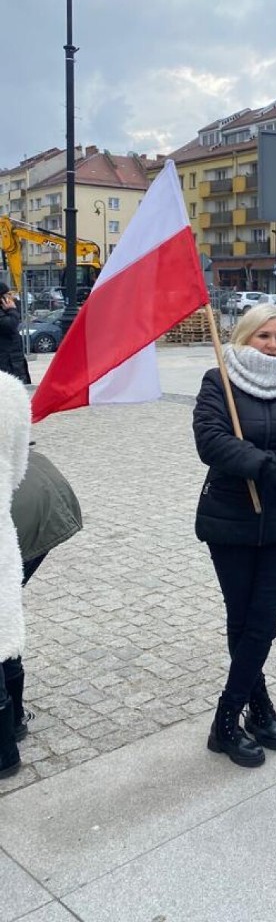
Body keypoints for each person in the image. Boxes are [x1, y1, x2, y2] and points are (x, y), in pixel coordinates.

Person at [193, 304, 276, 768]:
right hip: (229, 517)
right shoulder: (219, 382)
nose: (272, 344)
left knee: (264, 617)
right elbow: (210, 439)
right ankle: (251, 708)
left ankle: (229, 714)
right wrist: (264, 465)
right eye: (263, 336)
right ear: (245, 337)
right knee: (243, 614)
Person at [2, 450, 83, 742]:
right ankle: (13, 719)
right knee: (4, 613)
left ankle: (9, 727)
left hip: (29, 504)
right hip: (39, 483)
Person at [0, 370, 33, 779]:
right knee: (3, 622)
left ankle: (4, 751)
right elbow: (19, 469)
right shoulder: (8, 390)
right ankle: (15, 723)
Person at [0, 283, 31, 385]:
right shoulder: (5, 313)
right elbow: (10, 324)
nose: (11, 297)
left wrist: (13, 309)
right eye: (7, 294)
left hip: (13, 360)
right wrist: (12, 309)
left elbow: (19, 317)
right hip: (8, 363)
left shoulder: (6, 311)